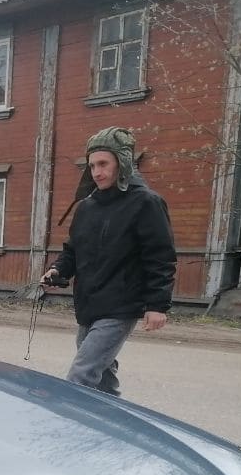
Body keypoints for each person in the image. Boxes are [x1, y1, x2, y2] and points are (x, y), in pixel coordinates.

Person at [42, 127, 176, 396]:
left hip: (121, 306)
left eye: (103, 164)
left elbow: (160, 256)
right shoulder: (88, 206)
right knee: (101, 375)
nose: (96, 172)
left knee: (81, 374)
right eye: (92, 166)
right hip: (89, 303)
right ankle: (117, 421)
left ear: (122, 163)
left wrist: (157, 305)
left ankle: (68, 428)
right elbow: (72, 250)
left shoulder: (145, 203)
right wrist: (58, 269)